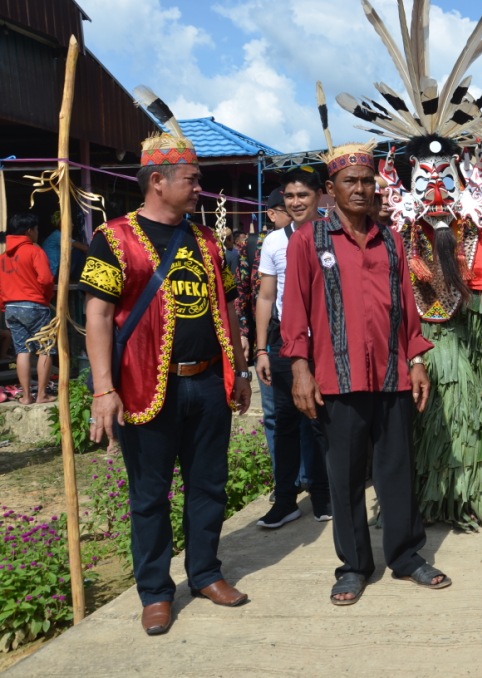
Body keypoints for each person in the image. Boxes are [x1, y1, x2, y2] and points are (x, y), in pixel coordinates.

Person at [81, 128, 252, 636]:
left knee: (209, 487)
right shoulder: (114, 238)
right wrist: (103, 390)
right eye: (193, 180)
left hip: (207, 386)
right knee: (150, 495)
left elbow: (228, 307)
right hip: (144, 388)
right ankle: (155, 592)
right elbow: (97, 316)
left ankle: (205, 574)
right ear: (158, 181)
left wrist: (240, 370)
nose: (199, 188)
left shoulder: (205, 240)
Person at [280, 140, 450, 604]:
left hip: (392, 374)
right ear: (330, 189)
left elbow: (406, 311)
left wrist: (416, 360)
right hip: (336, 377)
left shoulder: (390, 239)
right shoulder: (308, 241)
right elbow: (293, 312)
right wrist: (300, 370)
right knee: (346, 475)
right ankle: (354, 566)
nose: (359, 189)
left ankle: (407, 556)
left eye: (366, 181)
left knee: (397, 469)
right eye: (349, 181)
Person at [254, 169, 331, 528]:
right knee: (284, 422)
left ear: (320, 196)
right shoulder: (273, 242)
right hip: (286, 342)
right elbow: (266, 297)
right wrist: (261, 351)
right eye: (289, 196)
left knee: (321, 422)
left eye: (303, 195)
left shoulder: (334, 234)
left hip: (329, 344)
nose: (296, 202)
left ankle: (324, 495)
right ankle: (285, 499)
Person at [235, 187, 289, 474]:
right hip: (264, 341)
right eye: (287, 207)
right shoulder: (255, 245)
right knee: (272, 412)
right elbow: (241, 293)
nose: (295, 210)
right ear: (271, 213)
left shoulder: (308, 238)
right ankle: (283, 477)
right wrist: (244, 333)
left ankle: (308, 476)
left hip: (298, 338)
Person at [0, 213, 56, 404]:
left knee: (22, 350)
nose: (38, 233)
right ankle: (42, 394)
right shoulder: (34, 251)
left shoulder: (3, 257)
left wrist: (3, 306)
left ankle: (26, 396)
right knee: (45, 349)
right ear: (29, 231)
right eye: (37, 229)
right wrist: (46, 298)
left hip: (11, 308)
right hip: (35, 306)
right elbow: (47, 280)